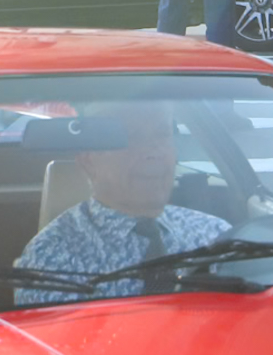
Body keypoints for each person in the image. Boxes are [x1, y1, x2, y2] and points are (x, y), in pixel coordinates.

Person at [16, 104, 230, 304]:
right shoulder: (53, 256)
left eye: (162, 135)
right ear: (89, 160)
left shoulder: (215, 235)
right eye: (132, 138)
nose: (153, 153)